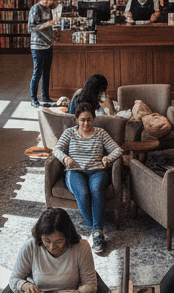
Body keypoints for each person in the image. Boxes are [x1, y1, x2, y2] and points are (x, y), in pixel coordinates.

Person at [52, 103, 123, 255]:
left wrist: (108, 158)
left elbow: (118, 149)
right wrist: (65, 159)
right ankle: (97, 230)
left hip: (97, 171)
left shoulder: (101, 133)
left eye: (89, 120)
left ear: (94, 118)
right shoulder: (70, 133)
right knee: (83, 193)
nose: (86, 123)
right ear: (76, 119)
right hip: (74, 172)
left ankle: (96, 232)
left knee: (96, 189)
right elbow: (56, 149)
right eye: (82, 120)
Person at [8, 207, 105, 293]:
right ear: (40, 237)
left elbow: (91, 285)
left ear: (68, 237)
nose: (52, 247)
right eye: (47, 241)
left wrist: (78, 292)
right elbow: (15, 278)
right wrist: (25, 285)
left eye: (59, 241)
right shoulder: (31, 246)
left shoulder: (81, 247)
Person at [29, 0, 59, 108]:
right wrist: (47, 24)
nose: (51, 2)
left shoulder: (48, 9)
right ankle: (33, 99)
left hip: (48, 44)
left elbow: (49, 24)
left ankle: (45, 97)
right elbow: (30, 28)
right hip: (38, 46)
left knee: (46, 72)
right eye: (50, 0)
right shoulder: (35, 9)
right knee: (37, 73)